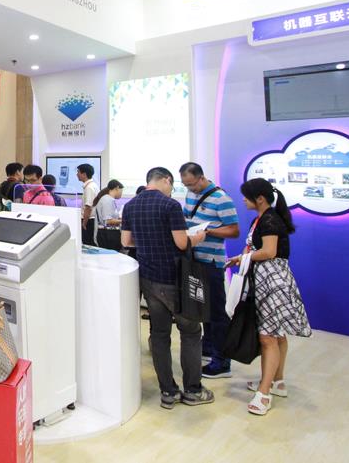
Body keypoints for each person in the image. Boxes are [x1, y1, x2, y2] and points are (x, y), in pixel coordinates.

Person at [120, 166, 214, 409]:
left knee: (159, 335)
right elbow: (181, 243)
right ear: (166, 180)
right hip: (175, 279)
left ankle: (168, 392)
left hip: (148, 279)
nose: (172, 189)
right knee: (190, 332)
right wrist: (198, 238)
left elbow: (126, 241)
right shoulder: (170, 205)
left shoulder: (130, 206)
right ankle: (193, 390)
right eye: (172, 185)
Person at [227, 178, 311, 416]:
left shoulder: (270, 220)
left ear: (260, 199)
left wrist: (243, 258)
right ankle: (277, 382)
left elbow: (268, 251)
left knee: (268, 338)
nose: (243, 200)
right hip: (266, 280)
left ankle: (264, 394)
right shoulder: (261, 219)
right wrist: (240, 258)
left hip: (272, 283)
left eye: (246, 196)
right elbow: (255, 249)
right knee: (276, 334)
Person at [179, 162, 240, 380]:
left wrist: (208, 232)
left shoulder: (221, 198)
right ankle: (209, 347)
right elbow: (187, 218)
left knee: (216, 313)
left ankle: (222, 362)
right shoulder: (190, 195)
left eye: (192, 184)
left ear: (201, 177)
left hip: (212, 262)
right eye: (185, 185)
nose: (190, 189)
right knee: (202, 309)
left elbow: (234, 230)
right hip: (194, 259)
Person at [78, 164, 100, 245]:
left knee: (87, 244)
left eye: (78, 172)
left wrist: (84, 223)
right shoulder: (93, 185)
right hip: (91, 220)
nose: (77, 174)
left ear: (84, 174)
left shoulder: (89, 188)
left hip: (88, 221)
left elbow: (88, 207)